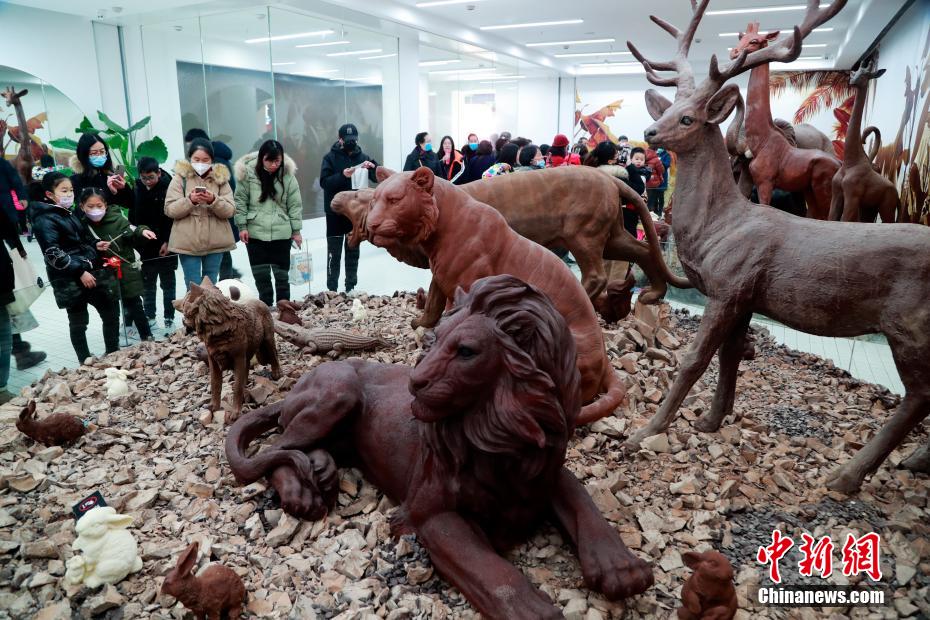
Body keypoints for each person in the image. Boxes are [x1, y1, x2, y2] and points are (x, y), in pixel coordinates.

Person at [32, 172, 121, 362]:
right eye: (63, 190)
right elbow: (53, 253)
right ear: (49, 194)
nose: (69, 194)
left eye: (71, 190)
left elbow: (81, 240)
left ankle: (113, 353)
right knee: (79, 322)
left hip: (89, 270)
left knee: (110, 312)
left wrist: (95, 244)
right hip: (70, 278)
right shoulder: (44, 219)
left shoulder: (67, 213)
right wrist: (80, 271)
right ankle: (85, 361)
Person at [80, 187, 156, 343]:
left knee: (135, 305)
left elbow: (132, 232)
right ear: (82, 206)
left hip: (125, 270)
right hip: (103, 275)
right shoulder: (81, 226)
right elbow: (82, 247)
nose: (95, 210)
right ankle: (112, 347)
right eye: (90, 206)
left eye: (99, 206)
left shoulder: (117, 219)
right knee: (110, 312)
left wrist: (142, 231)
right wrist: (94, 246)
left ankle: (147, 338)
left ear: (105, 205)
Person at [235, 140, 303, 306]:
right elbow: (240, 201)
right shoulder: (247, 174)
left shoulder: (287, 176)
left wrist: (296, 231)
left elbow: (295, 205)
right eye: (269, 160)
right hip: (255, 232)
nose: (273, 165)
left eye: (277, 161)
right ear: (261, 158)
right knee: (261, 275)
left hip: (281, 232)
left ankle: (284, 306)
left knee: (281, 275)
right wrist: (242, 226)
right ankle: (265, 307)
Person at [165, 138, 236, 289]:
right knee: (194, 287)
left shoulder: (220, 179)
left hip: (216, 242)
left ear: (212, 159)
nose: (201, 163)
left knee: (211, 287)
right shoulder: (180, 179)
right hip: (187, 243)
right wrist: (190, 200)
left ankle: (211, 313)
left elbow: (230, 210)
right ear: (190, 158)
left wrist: (213, 200)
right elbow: (170, 209)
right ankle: (193, 313)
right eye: (196, 159)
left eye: (205, 160)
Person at [320, 123, 378, 293]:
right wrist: (342, 176)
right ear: (340, 140)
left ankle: (351, 287)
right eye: (347, 140)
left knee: (353, 250)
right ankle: (332, 289)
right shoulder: (329, 158)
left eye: (353, 139)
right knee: (334, 252)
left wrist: (372, 167)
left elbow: (376, 177)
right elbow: (325, 182)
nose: (351, 142)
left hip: (356, 213)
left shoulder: (363, 157)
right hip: (334, 213)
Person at [132, 156, 177, 333]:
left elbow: (172, 219)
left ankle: (169, 318)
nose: (147, 181)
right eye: (144, 178)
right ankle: (150, 318)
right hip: (145, 245)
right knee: (148, 285)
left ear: (159, 172)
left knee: (168, 284)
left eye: (150, 177)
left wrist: (167, 240)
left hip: (167, 243)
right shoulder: (137, 188)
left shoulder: (170, 187)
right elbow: (134, 216)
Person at [69, 133, 134, 211]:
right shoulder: (75, 180)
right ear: (83, 155)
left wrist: (123, 188)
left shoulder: (111, 174)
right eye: (94, 153)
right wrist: (108, 191)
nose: (99, 155)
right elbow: (81, 209)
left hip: (112, 221)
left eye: (102, 151)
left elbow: (130, 203)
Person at [622, 147, 652, 237]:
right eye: (636, 159)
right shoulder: (627, 171)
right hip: (631, 203)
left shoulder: (645, 172)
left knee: (639, 222)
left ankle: (640, 237)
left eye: (642, 160)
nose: (639, 161)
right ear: (631, 159)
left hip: (642, 199)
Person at [0, 157, 27, 236]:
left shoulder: (3, 163)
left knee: (15, 221)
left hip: (11, 203)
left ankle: (21, 232)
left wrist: (22, 197)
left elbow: (15, 181)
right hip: (13, 204)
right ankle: (23, 231)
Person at [647, 147, 672, 216]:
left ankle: (660, 212)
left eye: (660, 147)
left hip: (662, 178)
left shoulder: (667, 155)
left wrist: (659, 162)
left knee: (660, 196)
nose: (658, 149)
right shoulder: (654, 154)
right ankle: (655, 211)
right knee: (653, 196)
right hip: (654, 179)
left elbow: (667, 164)